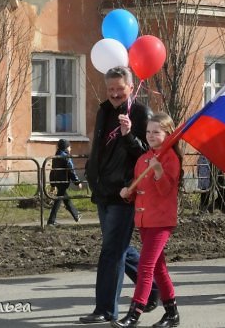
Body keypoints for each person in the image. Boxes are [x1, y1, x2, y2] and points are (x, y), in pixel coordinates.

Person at [80, 66, 158, 324]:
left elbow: (147, 155)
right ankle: (153, 287)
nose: (114, 94)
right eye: (111, 89)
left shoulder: (140, 113)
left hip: (124, 192)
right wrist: (92, 174)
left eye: (119, 90)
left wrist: (128, 135)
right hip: (102, 189)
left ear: (131, 88)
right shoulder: (104, 110)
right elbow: (99, 148)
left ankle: (105, 309)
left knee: (111, 251)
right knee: (118, 247)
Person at [114, 112, 182, 328]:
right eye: (148, 132)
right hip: (144, 220)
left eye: (156, 132)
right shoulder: (144, 158)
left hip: (161, 222)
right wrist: (128, 193)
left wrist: (159, 171)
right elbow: (139, 188)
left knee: (145, 267)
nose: (151, 136)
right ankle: (172, 314)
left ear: (168, 134)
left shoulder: (170, 158)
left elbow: (165, 191)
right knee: (159, 267)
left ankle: (134, 314)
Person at [47, 139, 82, 225]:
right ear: (66, 147)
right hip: (64, 181)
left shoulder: (56, 157)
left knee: (64, 198)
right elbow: (71, 171)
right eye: (70, 147)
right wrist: (77, 182)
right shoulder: (66, 157)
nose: (70, 149)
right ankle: (51, 221)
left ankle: (76, 215)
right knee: (58, 201)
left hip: (58, 181)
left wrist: (52, 184)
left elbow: (53, 171)